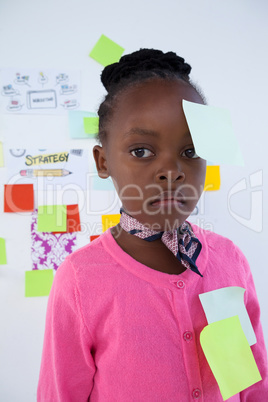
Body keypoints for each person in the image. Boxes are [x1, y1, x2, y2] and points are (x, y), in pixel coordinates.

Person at [37, 49, 268, 401]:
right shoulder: (81, 279)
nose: (171, 171)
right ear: (103, 161)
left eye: (190, 152)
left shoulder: (229, 260)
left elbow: (254, 383)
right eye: (142, 151)